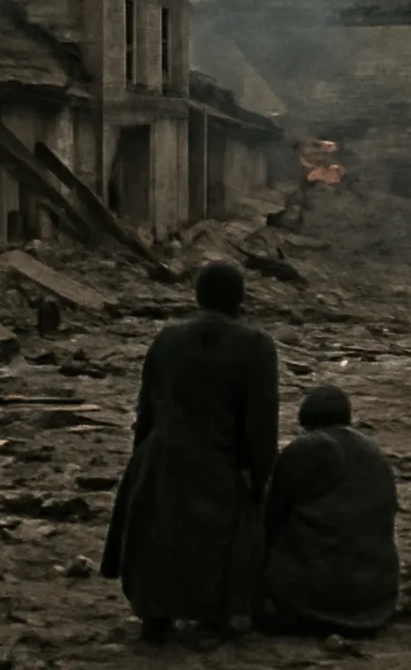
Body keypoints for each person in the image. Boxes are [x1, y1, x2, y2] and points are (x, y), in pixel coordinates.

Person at [100, 262, 279, 645]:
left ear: (197, 296)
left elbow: (146, 408)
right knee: (216, 542)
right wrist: (258, 473)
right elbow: (261, 421)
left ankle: (156, 616)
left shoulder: (166, 340)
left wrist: (139, 463)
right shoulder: (256, 346)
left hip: (161, 454)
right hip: (217, 460)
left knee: (159, 537)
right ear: (240, 299)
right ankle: (212, 617)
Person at [259, 384, 400, 636]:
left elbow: (273, 515)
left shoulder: (307, 449)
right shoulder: (373, 451)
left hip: (317, 597)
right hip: (376, 596)